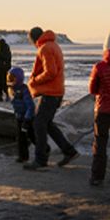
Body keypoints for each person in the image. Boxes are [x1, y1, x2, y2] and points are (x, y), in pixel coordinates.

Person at [24, 26, 79, 171]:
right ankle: (69, 151)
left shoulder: (45, 48)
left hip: (50, 93)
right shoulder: (53, 45)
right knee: (47, 124)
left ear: (33, 38)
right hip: (56, 91)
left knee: (39, 124)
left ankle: (40, 159)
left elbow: (51, 72)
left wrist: (35, 81)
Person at [88, 31, 110, 186]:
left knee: (100, 143)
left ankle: (97, 177)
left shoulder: (99, 67)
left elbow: (92, 89)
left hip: (103, 110)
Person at [7, 67, 37, 164]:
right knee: (20, 137)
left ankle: (44, 149)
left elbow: (30, 106)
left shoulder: (24, 90)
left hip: (27, 118)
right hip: (19, 117)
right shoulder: (11, 90)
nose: (10, 80)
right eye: (9, 78)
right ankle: (23, 156)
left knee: (32, 136)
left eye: (12, 78)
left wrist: (27, 119)